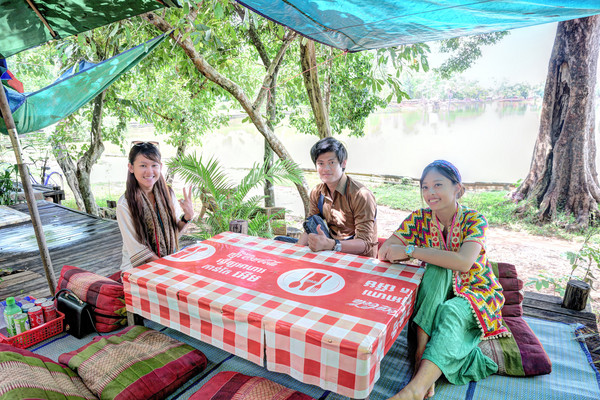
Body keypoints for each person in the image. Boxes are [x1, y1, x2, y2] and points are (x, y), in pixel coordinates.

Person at [378, 160, 508, 400]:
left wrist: (412, 250)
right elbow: (385, 249)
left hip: (477, 291)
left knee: (450, 311)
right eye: (425, 187)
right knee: (437, 270)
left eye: (437, 185)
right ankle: (421, 353)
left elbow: (463, 262)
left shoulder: (474, 220)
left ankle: (415, 389)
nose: (430, 193)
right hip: (435, 291)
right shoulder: (420, 219)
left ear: (457, 188)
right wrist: (403, 248)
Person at [116, 142, 194, 271]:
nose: (149, 171)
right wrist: (168, 268)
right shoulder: (125, 204)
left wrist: (188, 217)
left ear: (160, 167)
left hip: (167, 262)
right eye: (142, 165)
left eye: (154, 165)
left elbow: (175, 233)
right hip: (138, 269)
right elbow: (138, 249)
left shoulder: (168, 194)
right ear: (131, 167)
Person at [296, 137, 378, 258]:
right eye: (320, 163)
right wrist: (295, 253)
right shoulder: (317, 192)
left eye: (331, 162)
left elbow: (365, 243)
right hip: (329, 248)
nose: (326, 169)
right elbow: (310, 228)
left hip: (359, 258)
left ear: (343, 163)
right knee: (281, 240)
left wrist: (331, 245)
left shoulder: (361, 195)